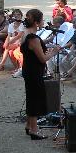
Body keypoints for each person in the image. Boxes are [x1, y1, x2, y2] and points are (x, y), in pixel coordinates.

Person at [21, 9, 61, 139]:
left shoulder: (26, 33)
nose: (44, 22)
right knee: (35, 99)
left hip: (28, 69)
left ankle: (29, 125)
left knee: (31, 97)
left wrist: (48, 45)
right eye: (42, 19)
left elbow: (35, 51)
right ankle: (34, 130)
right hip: (34, 71)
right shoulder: (33, 38)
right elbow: (43, 58)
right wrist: (54, 52)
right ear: (37, 22)